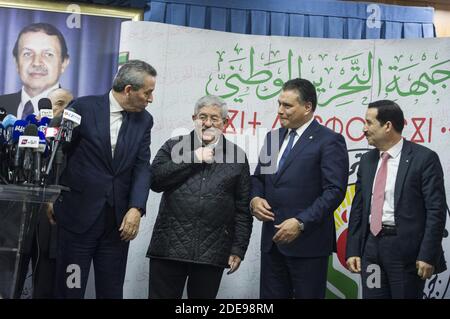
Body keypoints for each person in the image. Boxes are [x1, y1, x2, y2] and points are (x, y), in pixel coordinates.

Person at [53, 60, 156, 299]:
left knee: (111, 290)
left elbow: (142, 166)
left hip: (116, 225)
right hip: (77, 219)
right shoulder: (82, 108)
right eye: (148, 92)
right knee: (71, 287)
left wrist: (136, 208)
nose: (151, 99)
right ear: (129, 90)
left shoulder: (145, 120)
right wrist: (51, 196)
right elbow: (60, 152)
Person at [251, 78, 349, 299]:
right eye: (279, 104)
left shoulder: (329, 140)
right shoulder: (272, 138)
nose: (280, 111)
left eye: (287, 106)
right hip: (272, 243)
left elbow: (334, 190)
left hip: (308, 245)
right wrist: (255, 199)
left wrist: (301, 222)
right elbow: (258, 178)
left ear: (307, 107)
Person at [147, 95, 253, 299]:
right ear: (194, 118)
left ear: (225, 122)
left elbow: (242, 209)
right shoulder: (173, 146)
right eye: (202, 117)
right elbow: (155, 181)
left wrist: (238, 248)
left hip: (212, 252)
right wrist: (194, 157)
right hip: (169, 247)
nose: (207, 123)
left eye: (214, 118)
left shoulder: (238, 157)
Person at [346, 100, 447, 299]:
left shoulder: (424, 159)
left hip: (406, 253)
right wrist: (353, 250)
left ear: (388, 126)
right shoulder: (366, 161)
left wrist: (427, 255)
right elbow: (358, 209)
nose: (364, 129)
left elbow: (436, 211)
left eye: (368, 123)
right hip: (372, 250)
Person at [0, 23, 70, 119]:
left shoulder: (77, 111)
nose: (36, 63)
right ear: (16, 62)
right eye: (27, 54)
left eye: (48, 54)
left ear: (64, 63)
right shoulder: (1, 104)